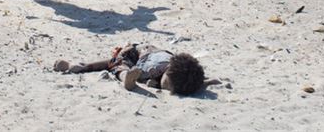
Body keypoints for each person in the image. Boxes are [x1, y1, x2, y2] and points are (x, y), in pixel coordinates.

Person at [53, 43, 210, 95]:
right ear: (168, 71)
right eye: (167, 83)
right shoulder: (153, 69)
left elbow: (192, 75)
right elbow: (139, 69)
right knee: (118, 65)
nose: (166, 87)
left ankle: (79, 65)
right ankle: (125, 79)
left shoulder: (182, 68)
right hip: (132, 54)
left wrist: (204, 82)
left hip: (145, 53)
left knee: (116, 63)